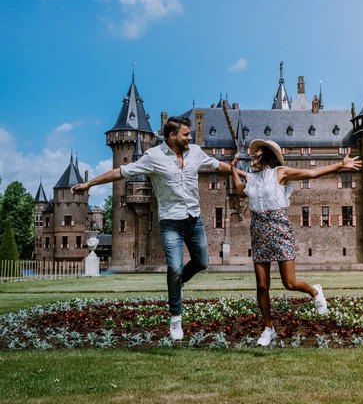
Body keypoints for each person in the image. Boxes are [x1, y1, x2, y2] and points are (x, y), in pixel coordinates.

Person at [72, 116, 245, 340]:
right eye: (185, 134)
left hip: (194, 219)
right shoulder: (153, 156)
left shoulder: (195, 152)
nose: (190, 137)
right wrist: (89, 183)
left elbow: (216, 165)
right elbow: (122, 171)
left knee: (202, 262)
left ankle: (179, 282)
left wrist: (237, 171)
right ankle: (175, 318)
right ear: (172, 136)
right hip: (170, 221)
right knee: (173, 267)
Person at [231, 139, 362, 346]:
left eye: (255, 155)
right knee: (262, 285)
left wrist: (340, 165)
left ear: (265, 155)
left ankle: (315, 291)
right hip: (258, 230)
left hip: (279, 227)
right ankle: (268, 328)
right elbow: (240, 191)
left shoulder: (280, 173)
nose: (252, 158)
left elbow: (311, 174)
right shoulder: (253, 179)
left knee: (289, 283)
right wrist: (232, 169)